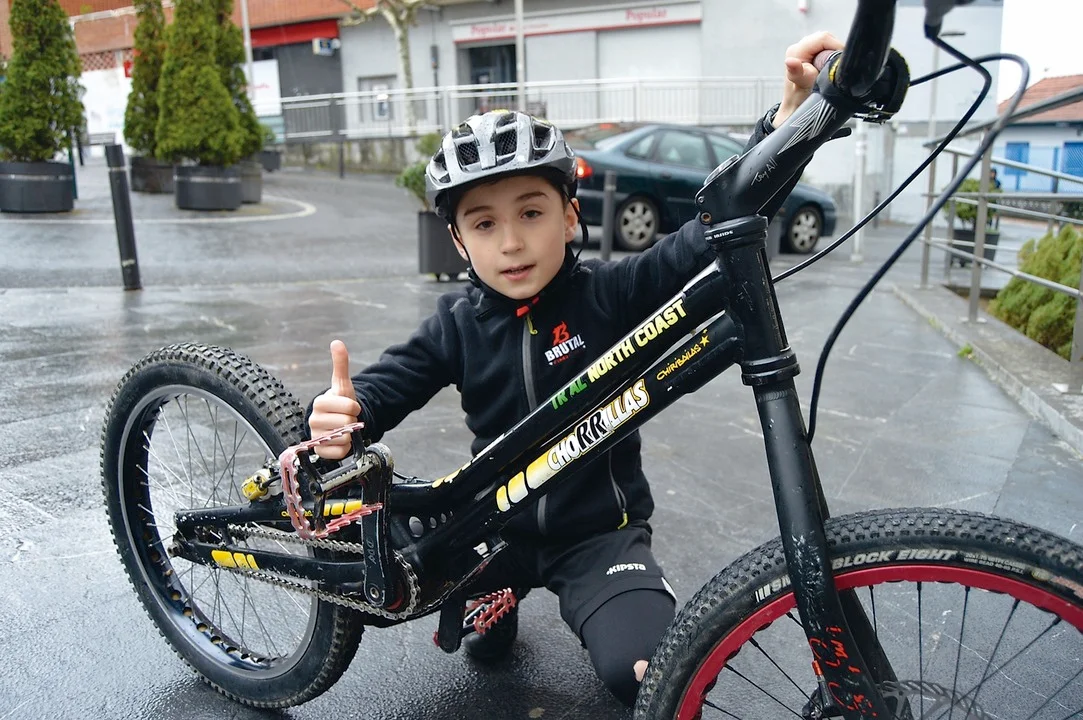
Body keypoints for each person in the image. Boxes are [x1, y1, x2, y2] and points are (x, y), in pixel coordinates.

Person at [307, 31, 843, 708]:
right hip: (487, 530)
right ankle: (497, 599)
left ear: (568, 218)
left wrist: (791, 122)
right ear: (458, 242)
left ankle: (545, 601)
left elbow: (715, 225)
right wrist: (341, 413)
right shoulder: (456, 323)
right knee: (398, 574)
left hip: (597, 538)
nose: (510, 242)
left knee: (646, 673)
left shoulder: (610, 293)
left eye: (531, 213)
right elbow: (386, 385)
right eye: (483, 224)